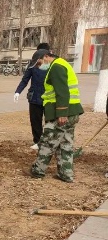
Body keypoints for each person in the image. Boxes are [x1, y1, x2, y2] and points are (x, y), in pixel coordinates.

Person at [30, 49, 83, 182]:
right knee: (65, 144)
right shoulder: (62, 64)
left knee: (48, 142)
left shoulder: (56, 67)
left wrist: (62, 113)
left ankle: (38, 170)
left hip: (61, 113)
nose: (39, 66)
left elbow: (62, 91)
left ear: (46, 56)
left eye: (39, 63)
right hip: (72, 112)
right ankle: (65, 173)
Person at [14, 43, 52, 150]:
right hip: (35, 97)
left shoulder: (53, 65)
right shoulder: (33, 64)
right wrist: (18, 92)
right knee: (35, 121)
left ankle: (48, 141)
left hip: (49, 98)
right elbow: (25, 79)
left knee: (49, 121)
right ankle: (38, 141)